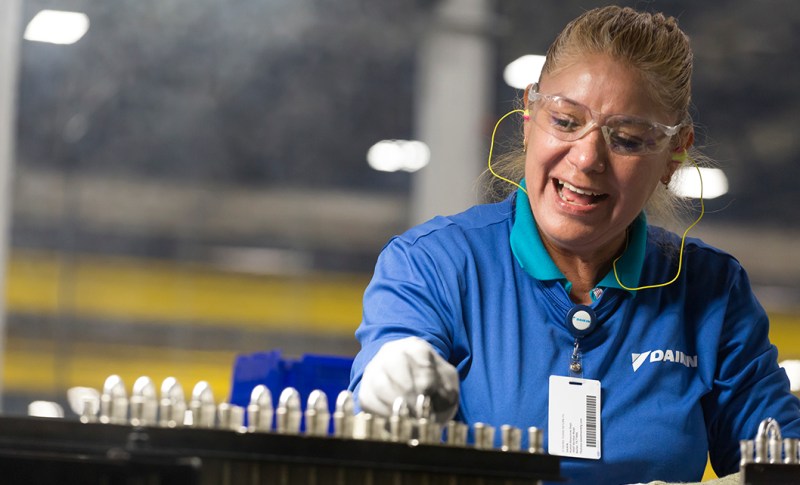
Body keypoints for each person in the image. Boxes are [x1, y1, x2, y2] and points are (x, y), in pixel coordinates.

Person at [348, 5, 800, 485]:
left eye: (627, 139)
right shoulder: (435, 265)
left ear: (675, 153)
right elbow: (387, 374)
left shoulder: (711, 292)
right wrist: (390, 380)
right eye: (565, 121)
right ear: (529, 116)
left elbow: (779, 458)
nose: (587, 158)